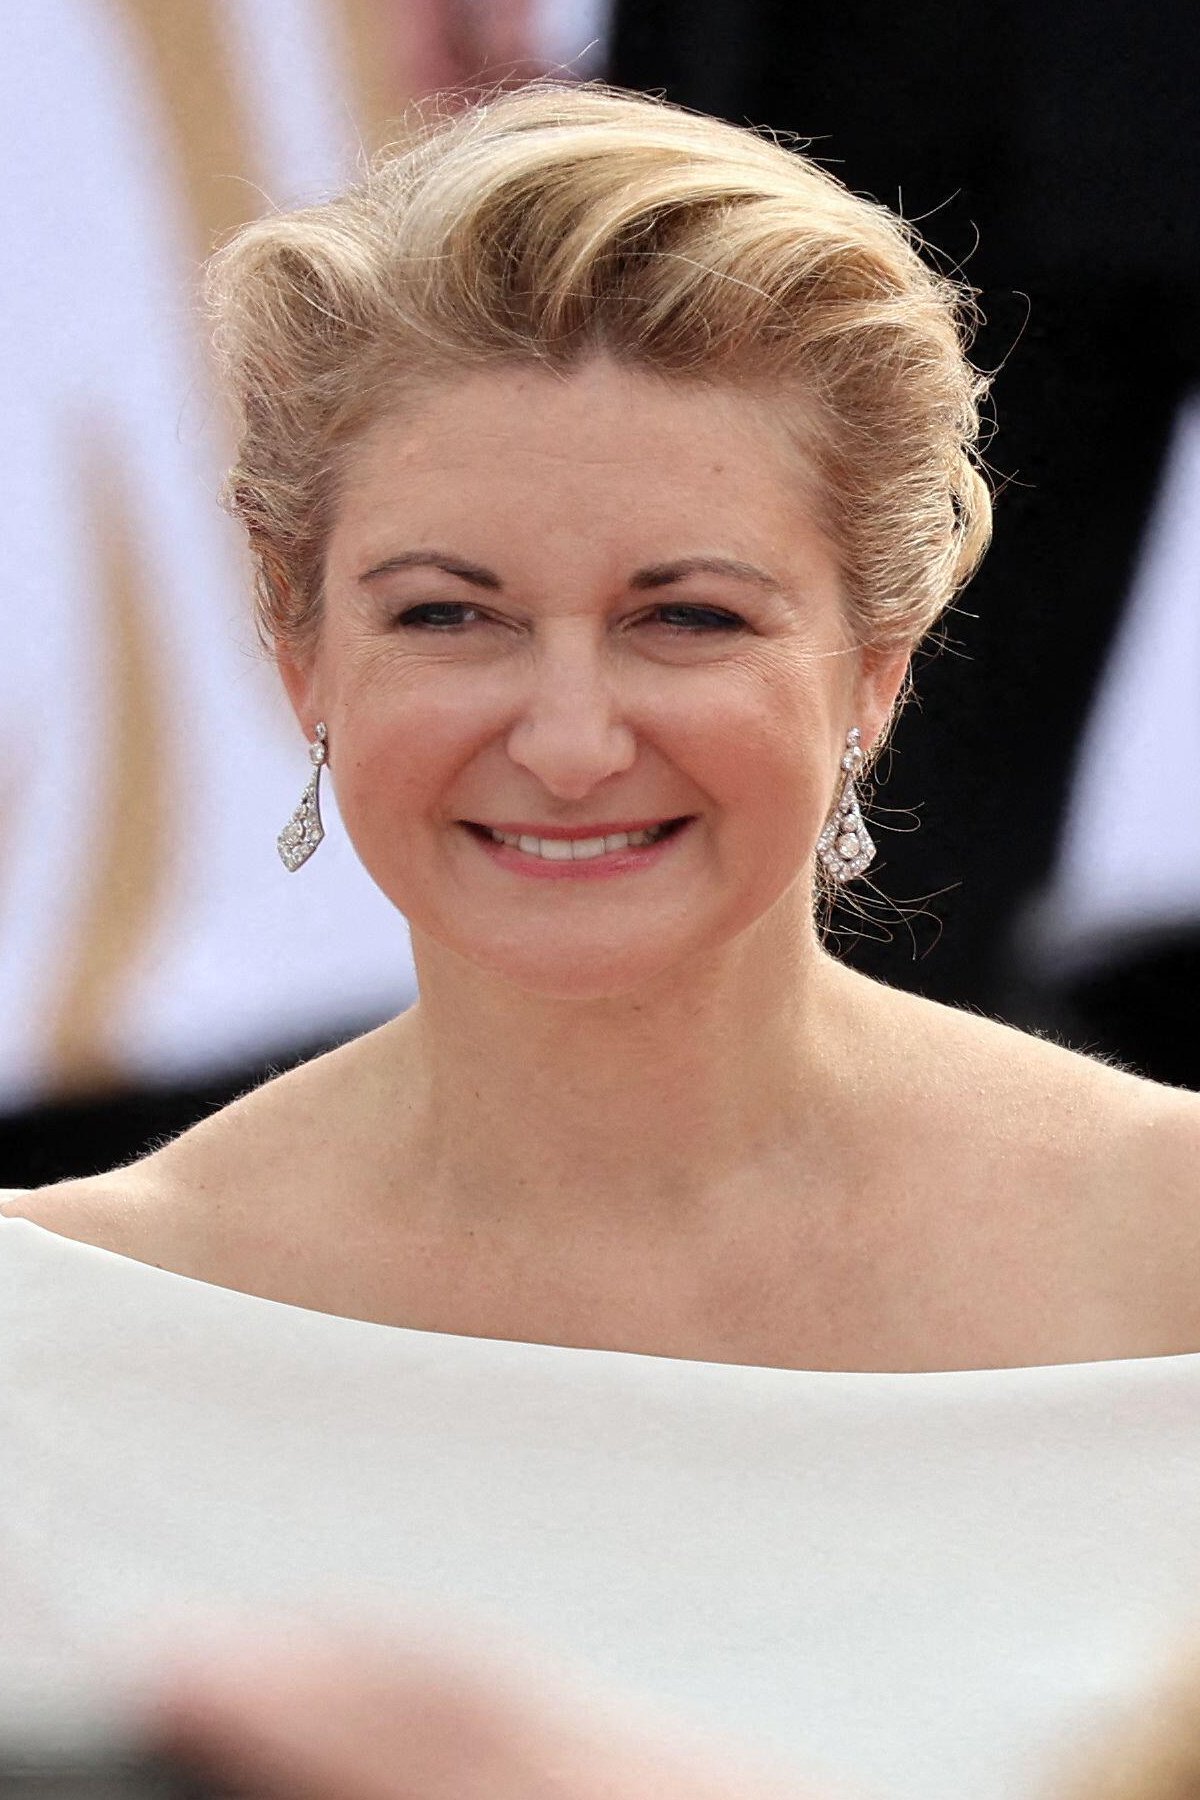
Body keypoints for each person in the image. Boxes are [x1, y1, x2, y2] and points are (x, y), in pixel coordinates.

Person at [2, 79, 1199, 1800]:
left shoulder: (1178, 1260)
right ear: (300, 653)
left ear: (879, 662)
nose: (568, 737)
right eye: (448, 615)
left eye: (685, 617)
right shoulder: (42, 1347)